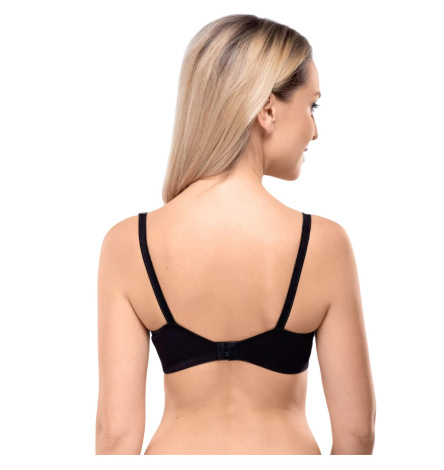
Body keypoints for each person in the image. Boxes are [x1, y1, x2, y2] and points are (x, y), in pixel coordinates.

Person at [95, 14, 376, 455]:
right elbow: (357, 433)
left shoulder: (130, 243)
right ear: (267, 109)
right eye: (312, 106)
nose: (315, 130)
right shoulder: (322, 244)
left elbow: (116, 437)